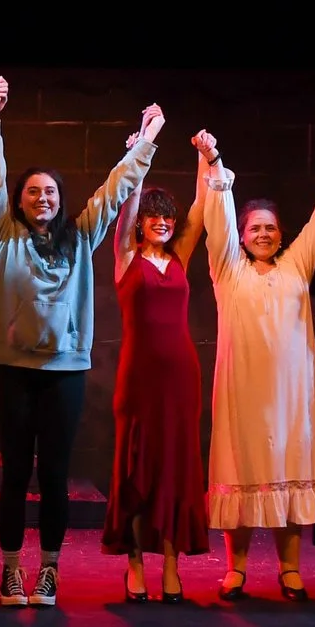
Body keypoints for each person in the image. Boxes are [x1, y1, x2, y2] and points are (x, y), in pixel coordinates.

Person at [0, 80, 163, 610]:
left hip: (64, 372)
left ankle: (49, 572)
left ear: (61, 201)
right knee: (15, 473)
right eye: (32, 191)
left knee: (54, 475)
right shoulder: (3, 235)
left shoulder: (80, 238)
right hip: (12, 369)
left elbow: (116, 191)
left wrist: (145, 141)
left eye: (50, 192)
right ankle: (11, 572)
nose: (42, 198)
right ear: (20, 200)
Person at [200, 130, 315, 602]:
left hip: (291, 396)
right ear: (244, 236)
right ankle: (237, 570)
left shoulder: (295, 267)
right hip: (242, 394)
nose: (263, 234)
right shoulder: (228, 270)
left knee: (287, 474)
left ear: (280, 234)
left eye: (270, 228)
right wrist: (214, 160)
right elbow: (220, 221)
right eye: (255, 229)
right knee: (242, 475)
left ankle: (290, 570)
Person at [103, 174, 211, 604]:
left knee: (174, 469)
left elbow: (201, 210)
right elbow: (125, 213)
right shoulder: (127, 257)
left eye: (166, 215)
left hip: (182, 377)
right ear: (141, 223)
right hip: (139, 377)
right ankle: (134, 564)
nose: (161, 222)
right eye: (153, 216)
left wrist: (207, 160)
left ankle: (170, 563)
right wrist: (138, 174)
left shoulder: (180, 256)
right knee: (136, 467)